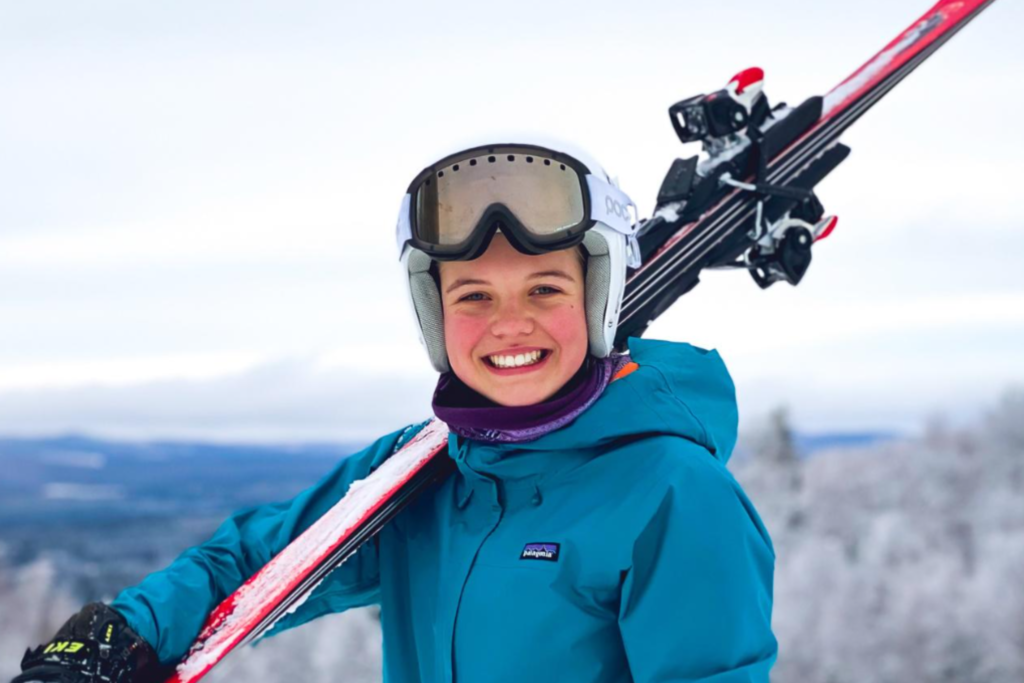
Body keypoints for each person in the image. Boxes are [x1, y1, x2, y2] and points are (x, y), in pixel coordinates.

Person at [13, 140, 778, 683]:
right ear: (434, 315)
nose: (510, 324)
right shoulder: (426, 471)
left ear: (599, 298)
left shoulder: (673, 492)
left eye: (545, 289)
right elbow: (259, 559)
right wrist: (130, 630)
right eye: (473, 296)